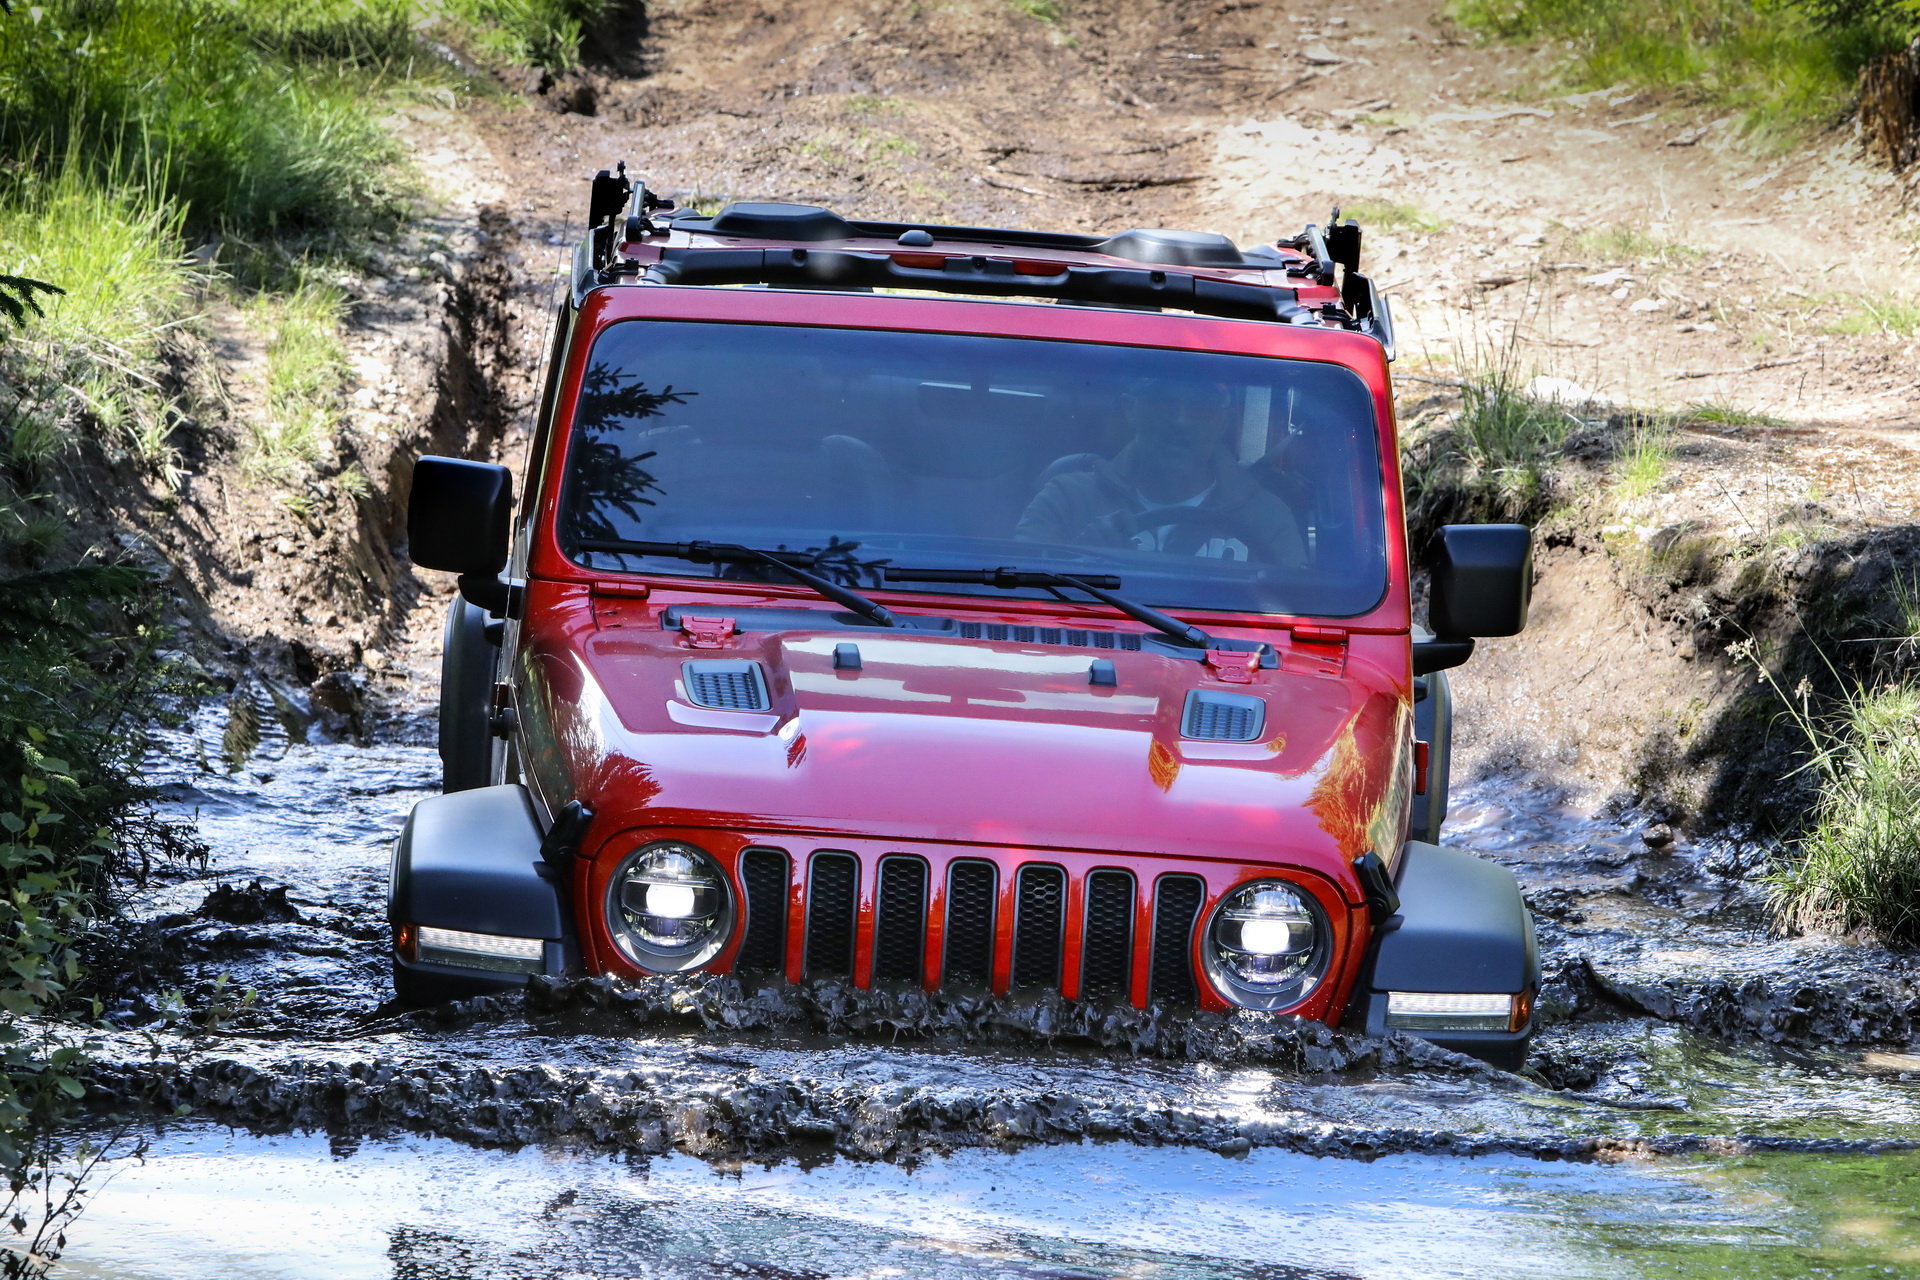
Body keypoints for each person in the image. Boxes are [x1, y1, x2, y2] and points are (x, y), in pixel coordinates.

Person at [1014, 381, 1306, 566]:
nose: (1180, 420)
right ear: (1131, 409)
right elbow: (1018, 595)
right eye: (1162, 399)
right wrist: (1082, 556)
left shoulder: (1266, 519)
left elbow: (1291, 617)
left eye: (1201, 404)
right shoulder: (1067, 499)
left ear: (1224, 421)